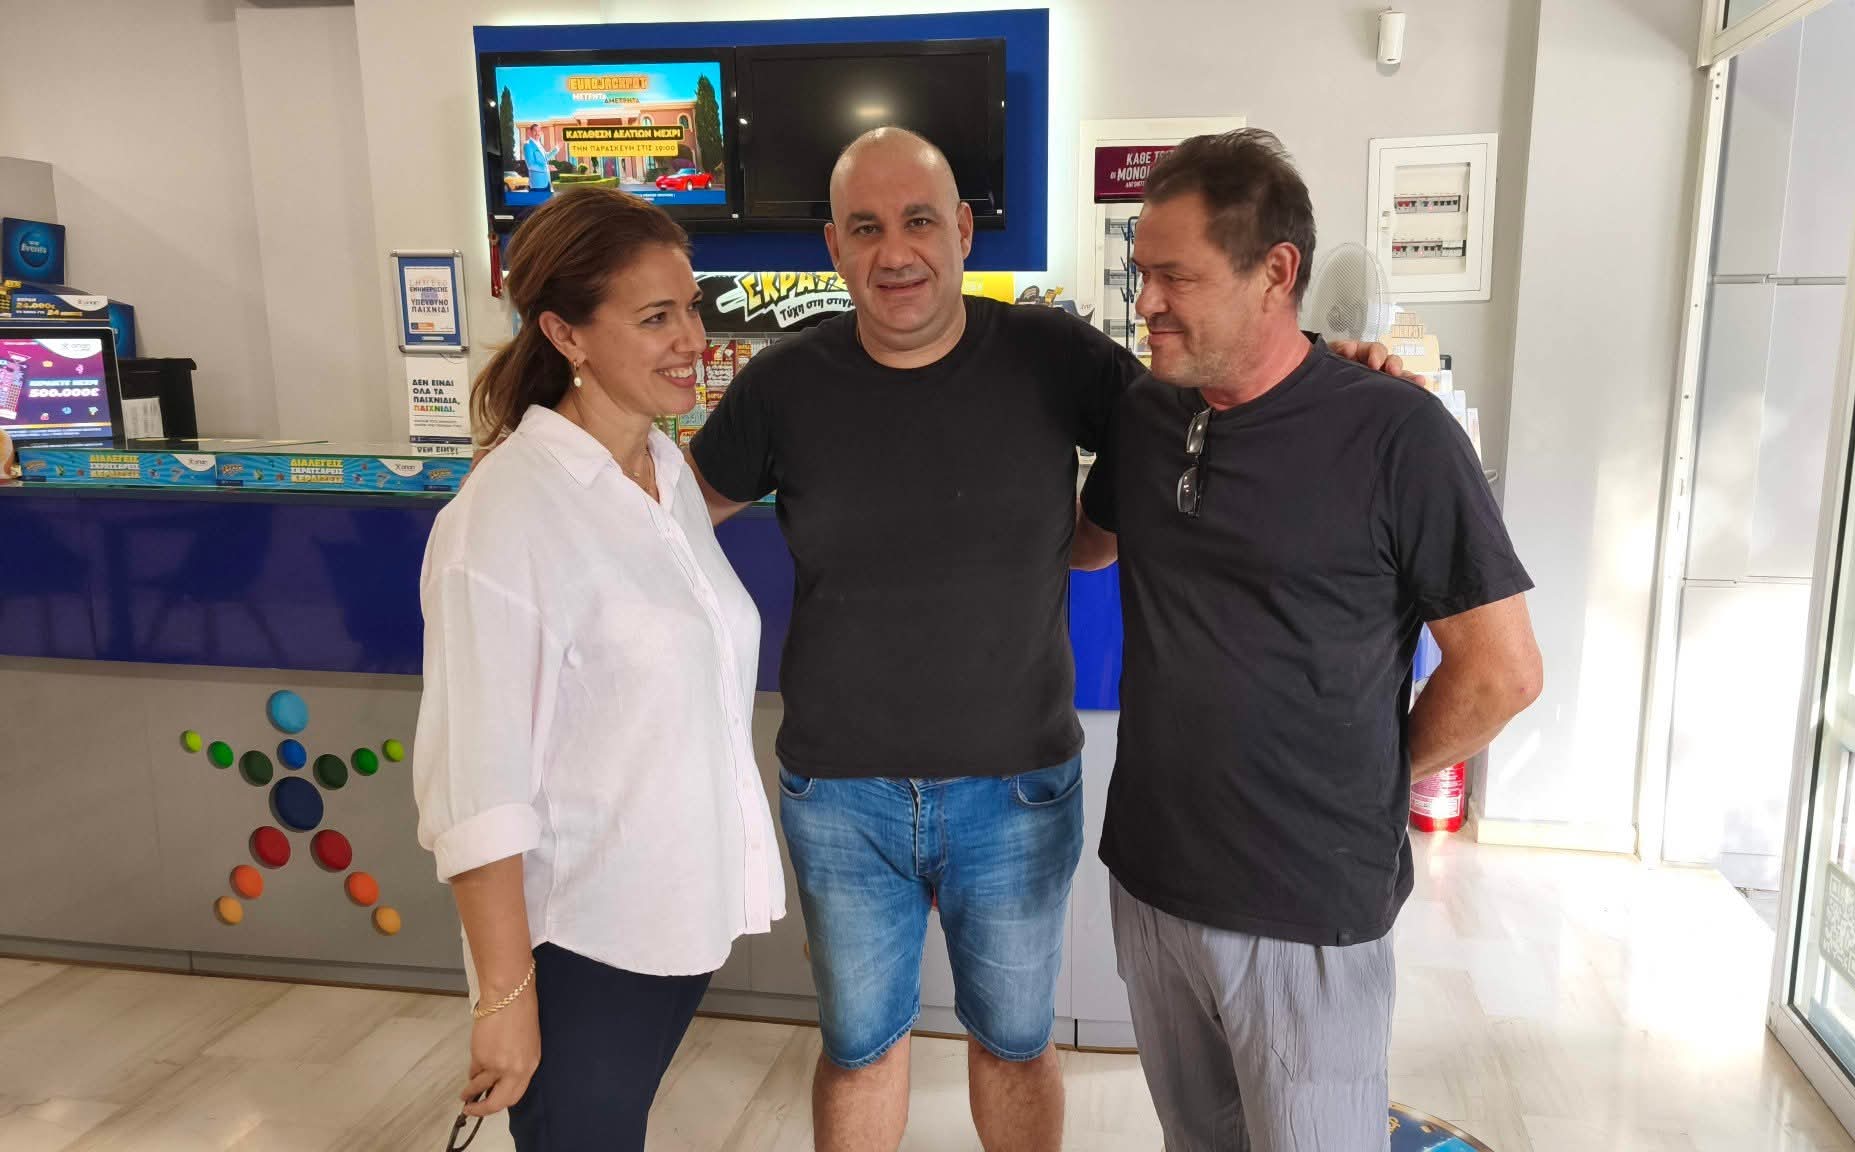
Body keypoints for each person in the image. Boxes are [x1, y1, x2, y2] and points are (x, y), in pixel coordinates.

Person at [687, 126, 1415, 1152]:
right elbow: (671, 518)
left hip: (1015, 788)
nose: (895, 251)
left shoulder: (1051, 354)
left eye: (918, 221)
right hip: (840, 796)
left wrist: (1335, 374)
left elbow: (1215, 391)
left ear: (963, 230)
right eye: (865, 227)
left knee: (1016, 1043)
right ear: (833, 246)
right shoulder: (781, 383)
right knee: (857, 1048)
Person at [1076, 129, 1543, 1152]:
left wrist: (1369, 773)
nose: (1144, 302)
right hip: (1150, 879)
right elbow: (1086, 542)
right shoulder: (1148, 415)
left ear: (1275, 273)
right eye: (1140, 272)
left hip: (1303, 902)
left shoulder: (1397, 434)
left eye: (1174, 277)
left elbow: (1502, 673)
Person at [411, 186, 782, 1150]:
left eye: (691, 307)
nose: (692, 339)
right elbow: (477, 788)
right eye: (655, 317)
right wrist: (505, 998)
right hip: (582, 938)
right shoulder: (503, 516)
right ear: (565, 334)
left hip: (678, 919)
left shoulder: (665, 472)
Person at [523, 126, 559, 194]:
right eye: (535, 131)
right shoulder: (528, 145)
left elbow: (546, 157)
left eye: (539, 131)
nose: (537, 133)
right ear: (530, 132)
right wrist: (547, 167)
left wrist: (557, 149)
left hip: (547, 183)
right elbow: (531, 165)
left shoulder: (540, 145)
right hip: (537, 185)